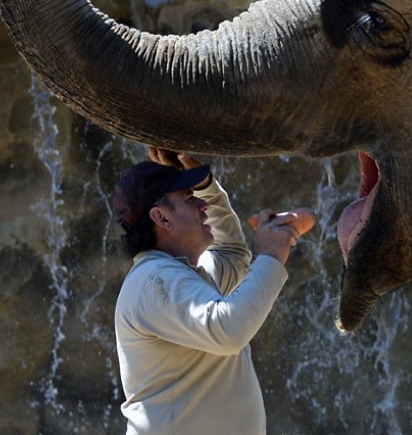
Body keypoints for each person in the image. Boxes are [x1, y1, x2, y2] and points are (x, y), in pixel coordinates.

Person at [112, 146, 311, 434]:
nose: (202, 204)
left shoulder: (181, 274)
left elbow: (231, 254)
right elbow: (228, 330)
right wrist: (270, 255)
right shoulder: (155, 280)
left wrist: (207, 188)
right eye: (189, 199)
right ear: (162, 218)